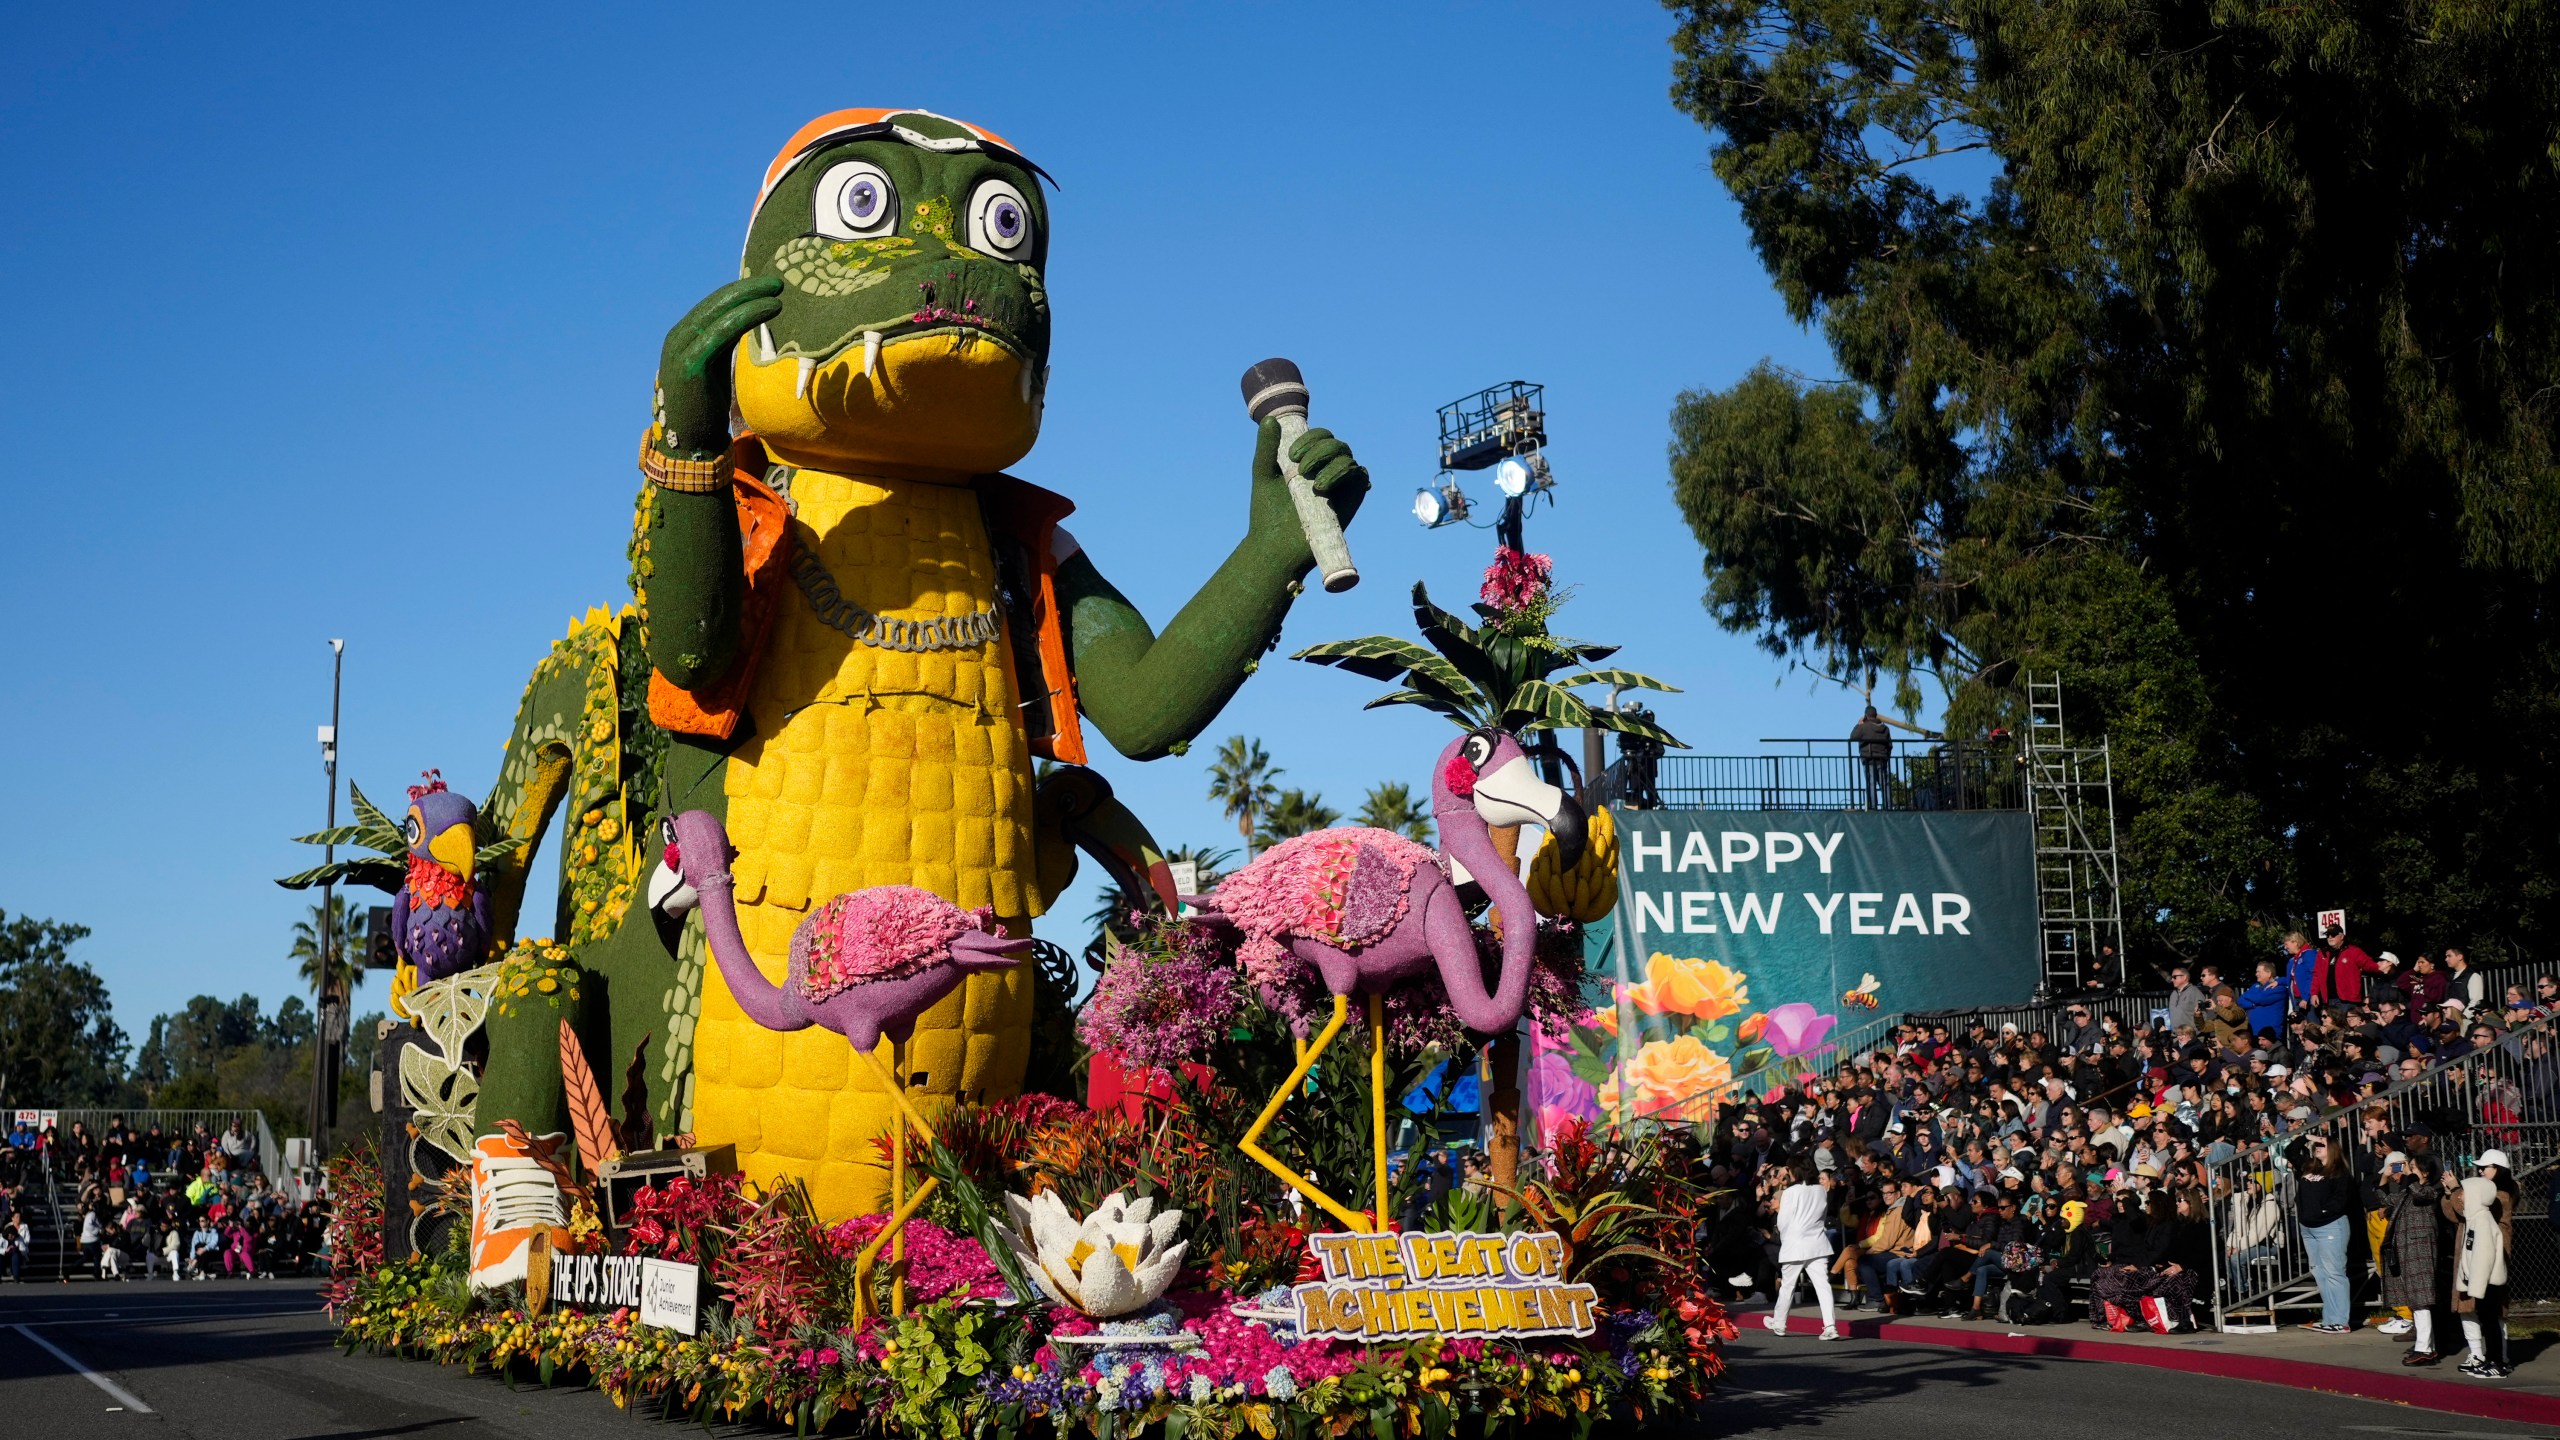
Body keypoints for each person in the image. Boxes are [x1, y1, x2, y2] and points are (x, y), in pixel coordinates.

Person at [2445, 1149, 2514, 1378]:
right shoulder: (2478, 1208)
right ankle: (2482, 1355)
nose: (2481, 1171)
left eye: (2486, 1167)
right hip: (2472, 1260)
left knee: (2492, 1312)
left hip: (2488, 1265)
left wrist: (2456, 1190)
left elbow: (2466, 1209)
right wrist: (2452, 1193)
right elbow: (2455, 1212)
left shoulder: (2497, 1197)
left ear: (2499, 1169)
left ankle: (2498, 1359)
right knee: (2475, 1310)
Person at [2379, 1151, 2449, 1365]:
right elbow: (2384, 1200)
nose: (2408, 1169)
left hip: (2421, 1250)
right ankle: (2427, 1346)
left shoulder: (2430, 1190)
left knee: (2421, 1300)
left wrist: (2409, 1176)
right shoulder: (2406, 1193)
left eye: (2413, 1166)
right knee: (2417, 1300)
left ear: (2425, 1173)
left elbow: (2420, 1193)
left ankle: (2424, 1349)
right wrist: (2385, 1178)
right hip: (2407, 1250)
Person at [1764, 1162, 1842, 1340]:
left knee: (1788, 1286)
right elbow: (1822, 1216)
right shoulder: (1821, 1190)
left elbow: (1783, 1220)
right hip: (1817, 1243)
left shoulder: (1791, 1191)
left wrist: (1786, 1237)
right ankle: (1830, 1326)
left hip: (1795, 1244)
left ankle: (1780, 1323)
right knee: (1823, 1286)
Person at [2293, 1136, 2357, 1333]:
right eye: (2316, 1145)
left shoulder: (2340, 1172)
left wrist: (2323, 1212)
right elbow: (2290, 1152)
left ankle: (2341, 1321)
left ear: (2333, 1148)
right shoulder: (2309, 1167)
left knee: (2334, 1272)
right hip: (2308, 1228)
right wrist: (2306, 1136)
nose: (2317, 1147)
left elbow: (2340, 1200)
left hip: (2330, 1227)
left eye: (2322, 1144)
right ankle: (2329, 1318)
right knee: (2319, 1273)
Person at [1850, 705, 1894, 810]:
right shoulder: (1885, 728)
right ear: (1876, 715)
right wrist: (1886, 756)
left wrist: (1859, 724)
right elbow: (1890, 745)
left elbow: (1852, 737)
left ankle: (1873, 806)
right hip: (1882, 759)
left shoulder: (1864, 727)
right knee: (1885, 783)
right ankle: (1888, 806)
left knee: (1871, 783)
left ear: (1866, 715)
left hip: (1868, 759)